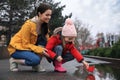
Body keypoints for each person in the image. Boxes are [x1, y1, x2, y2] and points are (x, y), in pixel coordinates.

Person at [8, 3, 52, 72]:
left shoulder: (44, 26)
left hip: (29, 48)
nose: (49, 17)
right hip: (17, 48)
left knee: (43, 40)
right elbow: (25, 44)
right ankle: (14, 60)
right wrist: (40, 50)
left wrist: (58, 39)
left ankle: (35, 65)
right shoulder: (28, 25)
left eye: (50, 15)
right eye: (47, 15)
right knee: (35, 60)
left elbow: (48, 41)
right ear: (40, 14)